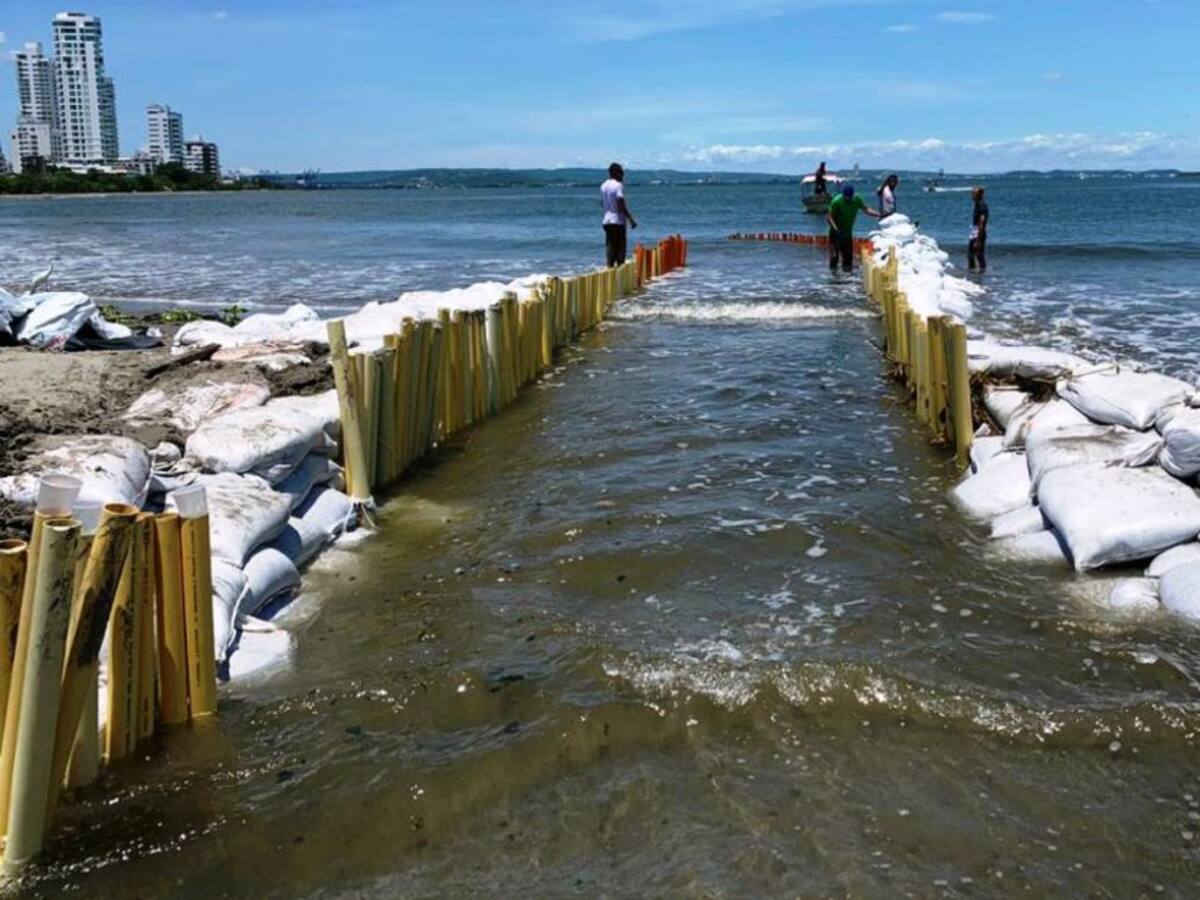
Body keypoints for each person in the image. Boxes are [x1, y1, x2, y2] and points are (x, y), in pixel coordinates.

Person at [826, 184, 880, 272]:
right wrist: (835, 229)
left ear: (852, 195)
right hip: (835, 235)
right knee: (834, 258)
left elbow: (866, 209)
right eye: (846, 197)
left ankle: (847, 282)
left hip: (847, 234)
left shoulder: (856, 200)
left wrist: (878, 214)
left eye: (849, 197)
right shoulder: (836, 201)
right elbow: (829, 217)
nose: (848, 199)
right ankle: (833, 283)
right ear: (843, 195)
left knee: (848, 260)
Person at [601, 163, 637, 267]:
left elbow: (602, 203)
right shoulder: (618, 185)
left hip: (606, 221)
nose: (622, 176)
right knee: (620, 250)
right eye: (621, 173)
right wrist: (630, 219)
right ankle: (619, 272)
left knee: (610, 248)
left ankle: (610, 269)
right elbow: (620, 203)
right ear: (615, 173)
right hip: (617, 221)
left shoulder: (603, 185)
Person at [968, 186, 989, 271]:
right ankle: (974, 274)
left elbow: (982, 222)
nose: (972, 196)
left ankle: (980, 274)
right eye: (972, 193)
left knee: (977, 254)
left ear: (980, 195)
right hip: (975, 231)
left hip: (979, 232)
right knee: (973, 254)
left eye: (974, 194)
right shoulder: (977, 205)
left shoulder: (982, 205)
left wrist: (978, 240)